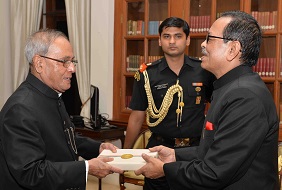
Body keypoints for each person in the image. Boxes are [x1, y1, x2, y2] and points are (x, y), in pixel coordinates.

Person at [135, 10, 279, 190]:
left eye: (210, 39)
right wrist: (175, 155)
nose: (203, 44)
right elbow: (217, 149)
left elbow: (214, 172)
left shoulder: (244, 97)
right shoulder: (230, 87)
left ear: (232, 49)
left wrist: (165, 169)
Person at [0, 29, 123, 190]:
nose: (72, 68)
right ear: (39, 63)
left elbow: (63, 136)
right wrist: (86, 168)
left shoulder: (51, 94)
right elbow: (31, 173)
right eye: (64, 61)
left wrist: (97, 148)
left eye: (73, 61)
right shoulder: (20, 108)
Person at [124, 17, 215, 189]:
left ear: (187, 40)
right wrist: (126, 152)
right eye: (166, 36)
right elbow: (136, 117)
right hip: (158, 150)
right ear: (159, 40)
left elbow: (216, 109)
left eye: (178, 36)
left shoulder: (203, 71)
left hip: (193, 152)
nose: (172, 41)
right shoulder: (147, 74)